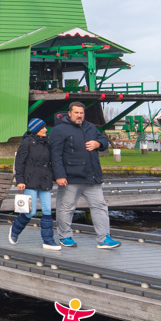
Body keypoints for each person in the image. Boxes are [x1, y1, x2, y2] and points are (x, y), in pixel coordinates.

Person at [50, 102, 120, 248]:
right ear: (69, 113)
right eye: (76, 113)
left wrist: (98, 144)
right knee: (66, 207)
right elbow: (55, 155)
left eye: (81, 113)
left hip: (92, 176)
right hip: (71, 177)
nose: (79, 115)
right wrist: (59, 175)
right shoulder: (59, 130)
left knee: (100, 206)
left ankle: (104, 238)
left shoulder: (90, 127)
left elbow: (103, 141)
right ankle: (65, 236)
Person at [9, 117, 60, 250]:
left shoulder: (46, 143)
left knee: (48, 210)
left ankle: (48, 241)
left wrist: (56, 177)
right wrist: (19, 180)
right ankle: (15, 230)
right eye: (42, 128)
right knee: (30, 212)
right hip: (30, 182)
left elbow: (49, 163)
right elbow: (19, 163)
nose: (45, 129)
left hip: (45, 182)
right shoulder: (27, 143)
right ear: (36, 129)